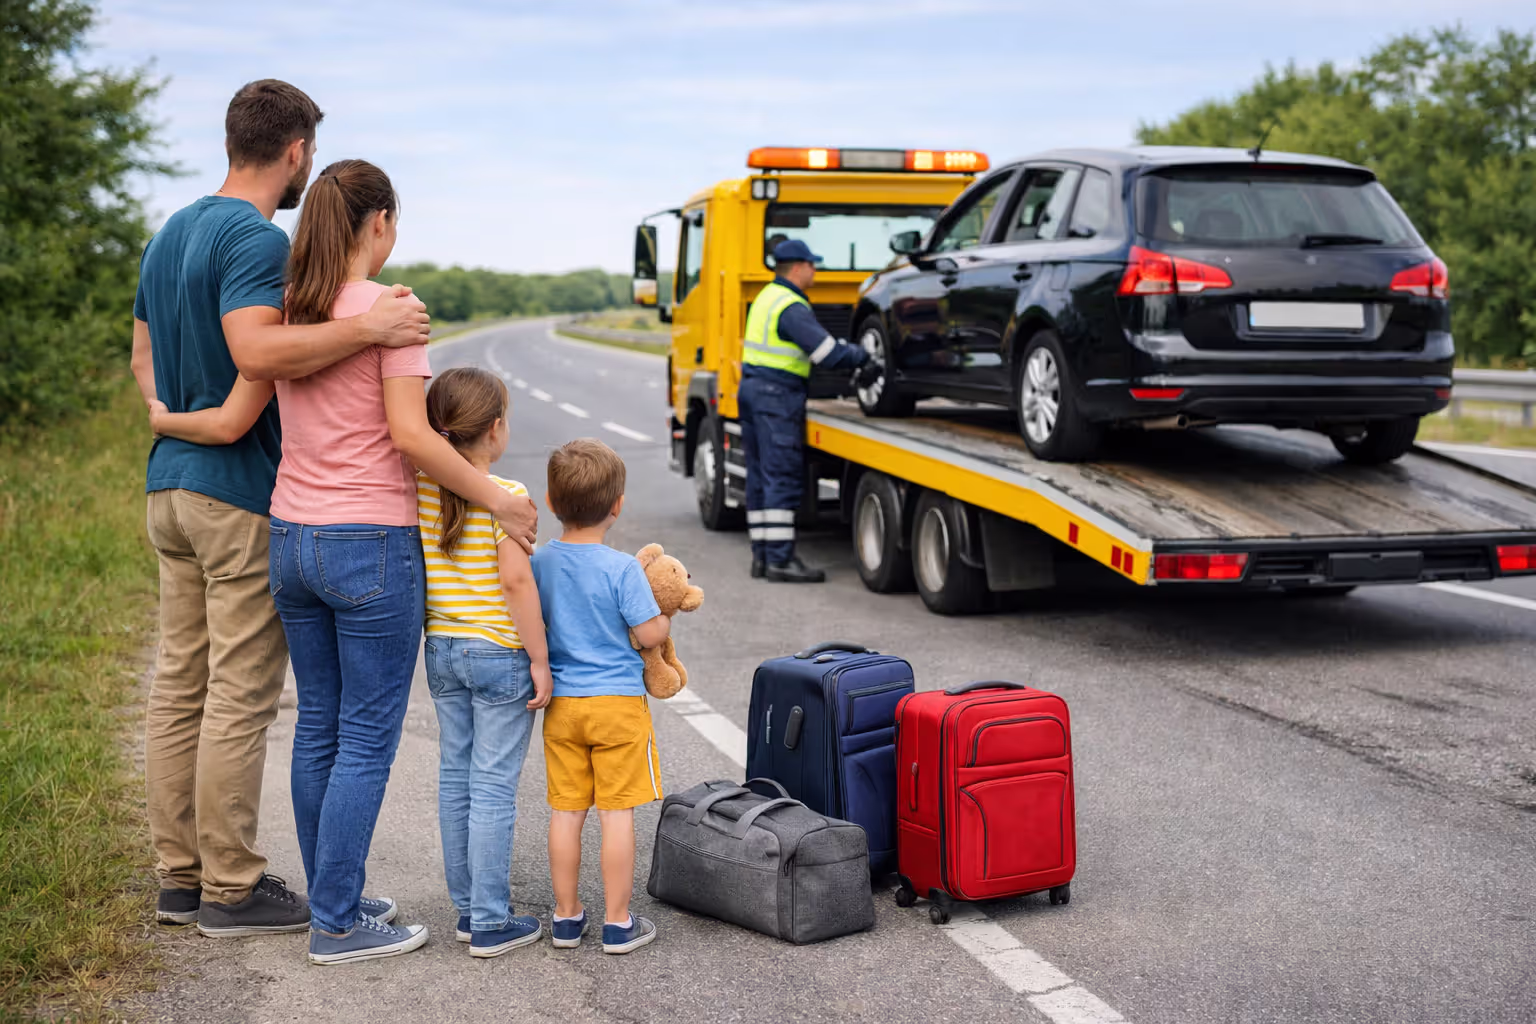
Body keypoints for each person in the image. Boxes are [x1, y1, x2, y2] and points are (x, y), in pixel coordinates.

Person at [129, 79, 439, 938]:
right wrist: (371, 332)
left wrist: (167, 418)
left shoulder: (170, 235)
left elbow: (143, 356)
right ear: (297, 150)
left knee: (177, 685)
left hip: (169, 485)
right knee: (237, 695)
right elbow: (258, 349)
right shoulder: (255, 238)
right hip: (235, 497)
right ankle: (231, 887)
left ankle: (179, 878)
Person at [416, 367, 553, 959]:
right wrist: (541, 660)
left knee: (455, 778)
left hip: (442, 649)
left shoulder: (419, 487)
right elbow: (518, 582)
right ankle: (492, 923)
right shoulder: (509, 499)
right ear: (495, 429)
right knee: (494, 785)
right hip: (498, 654)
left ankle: (470, 911)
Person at [532, 439, 671, 955]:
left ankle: (566, 918)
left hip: (563, 706)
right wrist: (663, 617)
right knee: (617, 814)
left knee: (566, 812)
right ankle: (618, 922)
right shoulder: (622, 569)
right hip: (617, 705)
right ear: (617, 505)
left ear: (550, 500)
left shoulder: (541, 563)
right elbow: (650, 634)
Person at [739, 238, 879, 583]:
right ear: (799, 267)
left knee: (759, 478)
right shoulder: (790, 306)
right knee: (780, 477)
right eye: (813, 265)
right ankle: (780, 561)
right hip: (776, 397)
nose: (816, 271)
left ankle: (762, 558)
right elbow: (827, 353)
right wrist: (863, 356)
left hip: (754, 391)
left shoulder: (767, 298)